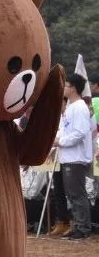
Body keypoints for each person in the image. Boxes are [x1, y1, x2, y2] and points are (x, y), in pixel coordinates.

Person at [55, 73, 96, 240]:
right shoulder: (71, 107)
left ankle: (83, 227)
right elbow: (67, 130)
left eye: (66, 85)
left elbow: (79, 133)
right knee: (72, 194)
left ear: (73, 88)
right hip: (68, 157)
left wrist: (61, 141)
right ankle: (78, 225)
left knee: (77, 194)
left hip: (76, 158)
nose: (63, 88)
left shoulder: (79, 107)